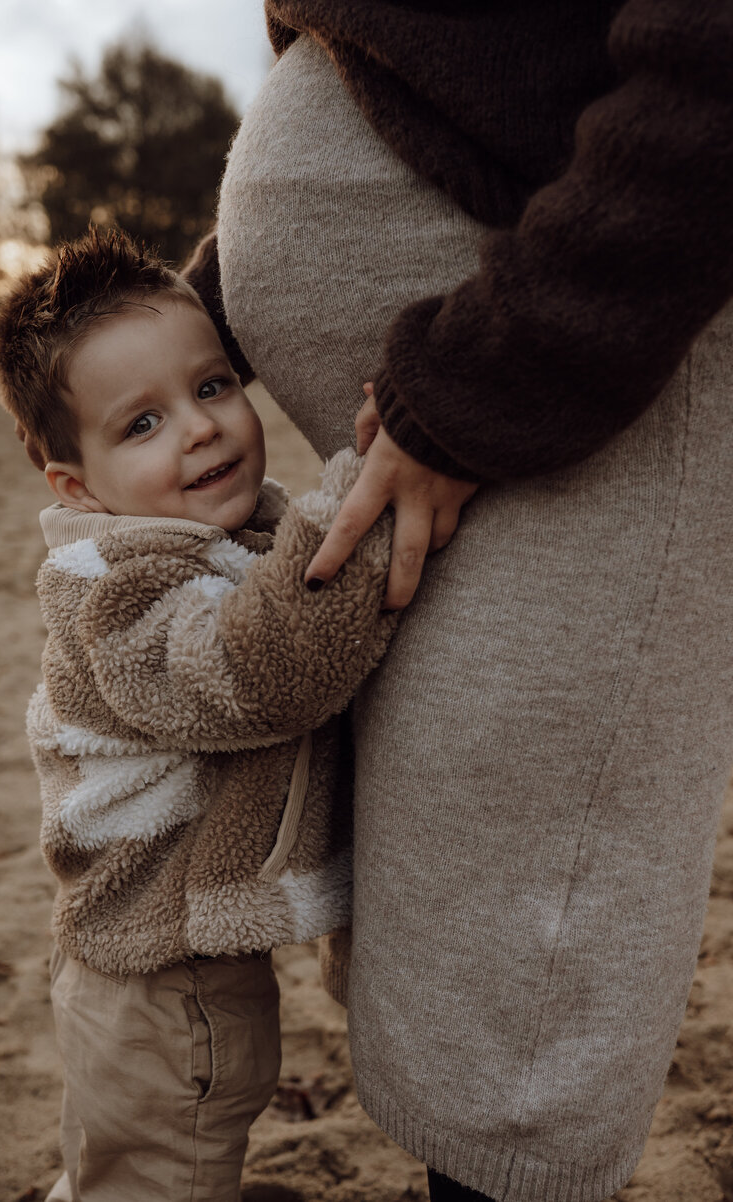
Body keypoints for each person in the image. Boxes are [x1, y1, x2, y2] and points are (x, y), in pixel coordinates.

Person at [184, 2, 733, 1199]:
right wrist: (182, 318)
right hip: (449, 412)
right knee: (452, 909)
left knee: (521, 981)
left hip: (572, 384)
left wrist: (491, 374)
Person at [0, 227, 397, 1202]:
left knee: (132, 1151)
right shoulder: (113, 600)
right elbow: (262, 668)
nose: (202, 427)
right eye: (142, 424)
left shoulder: (200, 541)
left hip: (151, 968)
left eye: (212, 387)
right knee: (164, 1159)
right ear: (76, 486)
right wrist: (359, 491)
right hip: (159, 983)